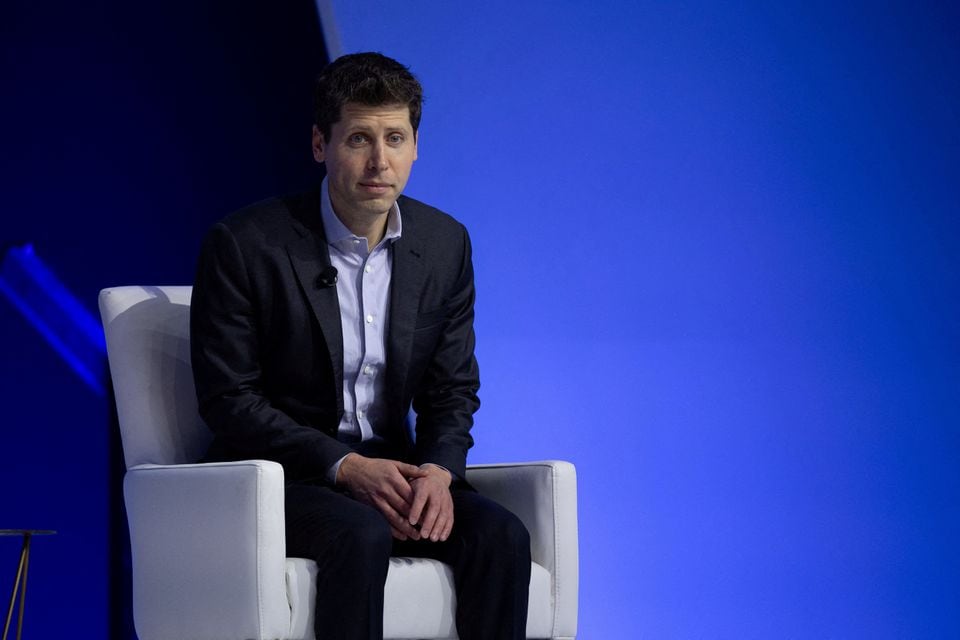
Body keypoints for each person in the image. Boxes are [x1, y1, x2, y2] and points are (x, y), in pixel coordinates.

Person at [190, 52, 531, 640]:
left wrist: (438, 473)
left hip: (395, 473)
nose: (381, 162)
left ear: (416, 146)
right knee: (360, 531)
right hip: (282, 480)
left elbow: (452, 388)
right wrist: (345, 466)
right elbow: (229, 399)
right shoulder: (246, 245)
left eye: (395, 138)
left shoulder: (444, 244)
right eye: (359, 139)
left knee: (501, 535)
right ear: (321, 144)